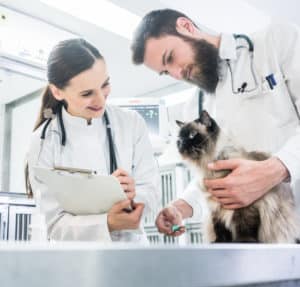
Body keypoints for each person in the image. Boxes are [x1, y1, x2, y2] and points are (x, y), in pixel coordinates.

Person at [131, 9, 300, 236]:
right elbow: (213, 175)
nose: (177, 74)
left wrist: (275, 170)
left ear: (186, 27)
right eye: (165, 72)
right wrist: (183, 206)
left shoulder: (276, 42)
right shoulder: (196, 106)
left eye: (170, 58)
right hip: (258, 239)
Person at [26, 38, 159, 243]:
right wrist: (108, 222)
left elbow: (151, 191)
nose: (101, 100)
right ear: (57, 91)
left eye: (105, 84)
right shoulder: (43, 141)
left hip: (131, 253)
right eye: (87, 93)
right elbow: (54, 224)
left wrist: (134, 196)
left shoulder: (131, 123)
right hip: (76, 262)